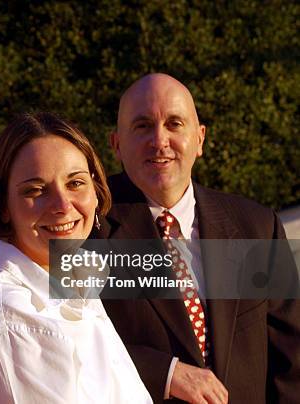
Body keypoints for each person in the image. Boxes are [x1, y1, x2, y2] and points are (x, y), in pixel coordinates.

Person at [95, 73, 300, 403]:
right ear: (116, 143)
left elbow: (291, 361)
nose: (159, 141)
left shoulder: (257, 226)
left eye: (174, 124)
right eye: (143, 126)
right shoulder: (86, 230)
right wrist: (165, 373)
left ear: (200, 139)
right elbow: (70, 343)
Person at [0, 112, 153, 403]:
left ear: (97, 190)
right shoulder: (13, 320)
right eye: (36, 190)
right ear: (3, 206)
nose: (63, 205)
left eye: (75, 183)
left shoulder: (71, 281)